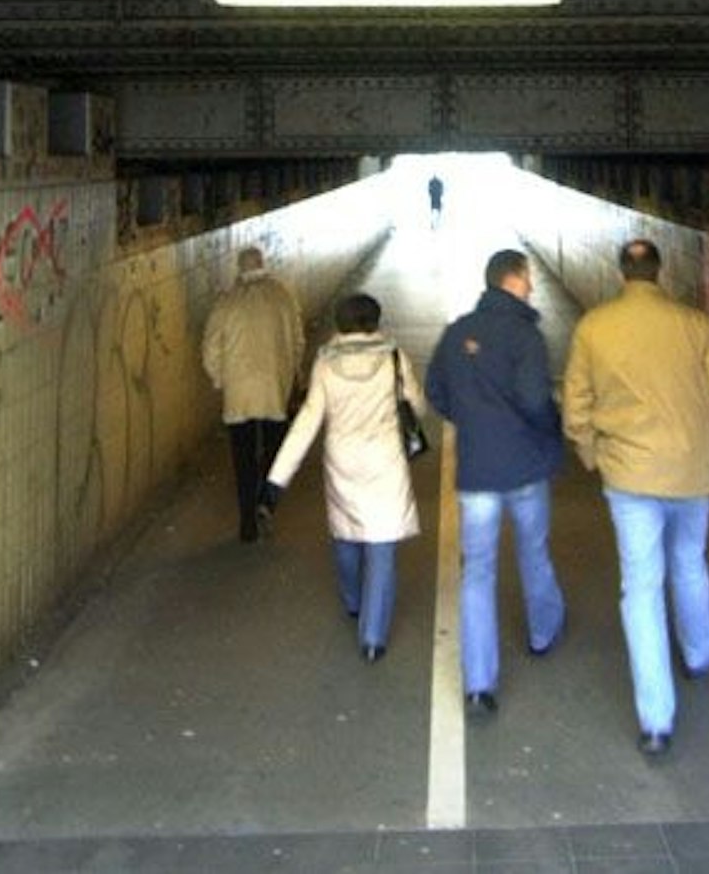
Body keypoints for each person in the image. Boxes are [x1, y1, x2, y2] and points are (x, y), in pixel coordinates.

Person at [562, 237, 709, 757]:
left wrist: (592, 453)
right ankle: (700, 654)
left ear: (621, 273)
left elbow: (575, 407)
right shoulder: (694, 325)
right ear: (658, 273)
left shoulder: (593, 327)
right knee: (689, 563)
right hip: (689, 474)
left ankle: (656, 720)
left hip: (629, 477)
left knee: (641, 588)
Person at [426, 247, 565, 717]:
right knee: (533, 552)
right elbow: (535, 400)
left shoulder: (457, 332)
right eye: (527, 278)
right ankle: (543, 631)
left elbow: (435, 391)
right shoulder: (527, 336)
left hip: (478, 470)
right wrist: (551, 431)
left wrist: (472, 420)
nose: (532, 286)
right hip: (525, 466)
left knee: (478, 571)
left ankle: (479, 683)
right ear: (514, 279)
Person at [257, 293, 428, 663]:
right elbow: (417, 404)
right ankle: (373, 638)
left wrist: (276, 481)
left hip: (343, 461)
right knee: (382, 544)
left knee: (346, 534)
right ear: (375, 322)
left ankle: (353, 601)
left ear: (340, 324)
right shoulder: (393, 358)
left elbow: (307, 422)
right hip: (384, 459)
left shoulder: (325, 364)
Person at [200, 245, 304, 543]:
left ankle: (247, 521)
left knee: (243, 457)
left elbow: (209, 349)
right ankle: (265, 501)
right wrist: (293, 374)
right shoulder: (283, 296)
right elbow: (297, 340)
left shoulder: (227, 302)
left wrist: (220, 380)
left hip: (239, 392)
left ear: (240, 269)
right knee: (275, 449)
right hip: (274, 388)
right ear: (263, 265)